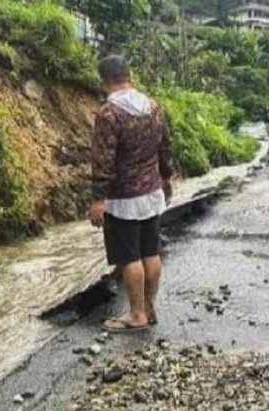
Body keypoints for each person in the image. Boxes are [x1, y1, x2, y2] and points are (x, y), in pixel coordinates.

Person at [89, 55, 174, 333]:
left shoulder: (109, 114)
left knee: (129, 256)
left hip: (123, 199)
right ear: (130, 76)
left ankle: (137, 314)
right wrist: (166, 177)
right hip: (152, 192)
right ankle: (149, 306)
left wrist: (98, 199)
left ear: (104, 81)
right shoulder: (154, 108)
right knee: (150, 251)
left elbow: (103, 160)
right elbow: (165, 148)